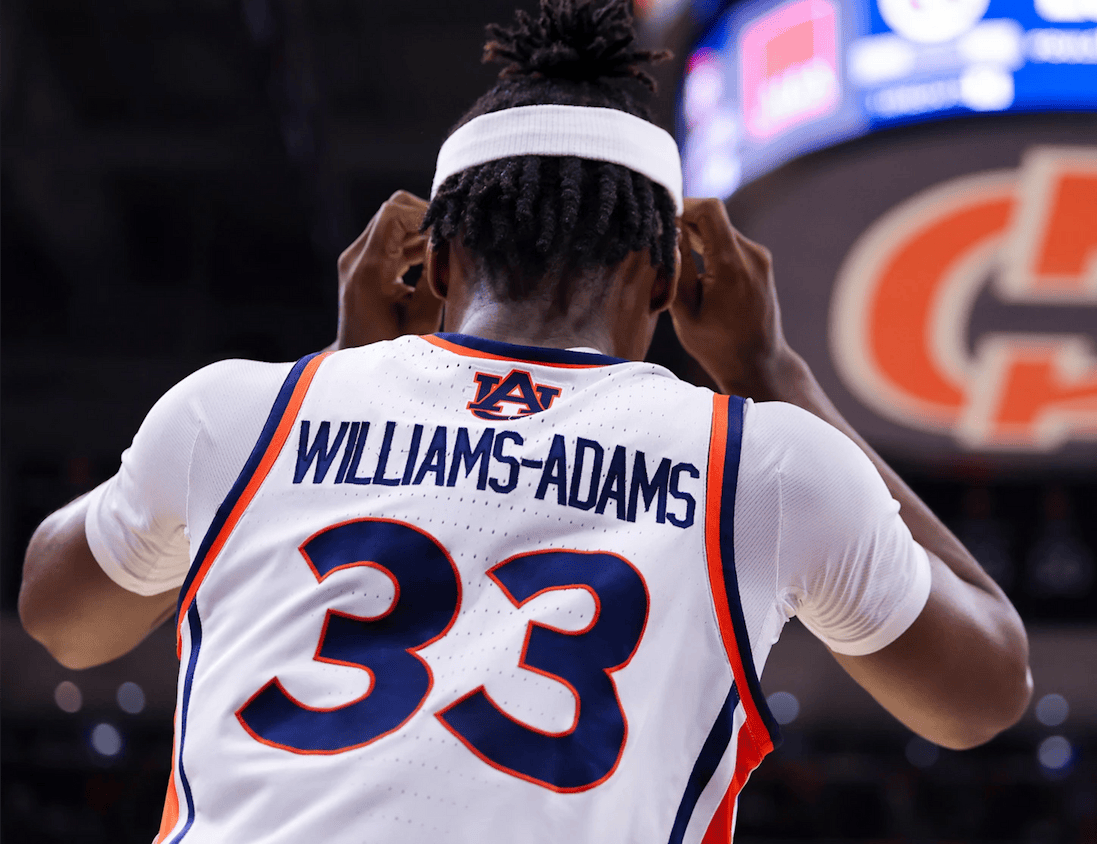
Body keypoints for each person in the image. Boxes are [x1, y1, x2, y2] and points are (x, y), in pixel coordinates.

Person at [19, 0, 1031, 840]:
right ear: (669, 279)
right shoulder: (762, 464)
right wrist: (775, 370)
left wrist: (341, 371)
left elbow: (62, 616)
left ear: (439, 263)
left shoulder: (245, 412)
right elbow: (986, 686)